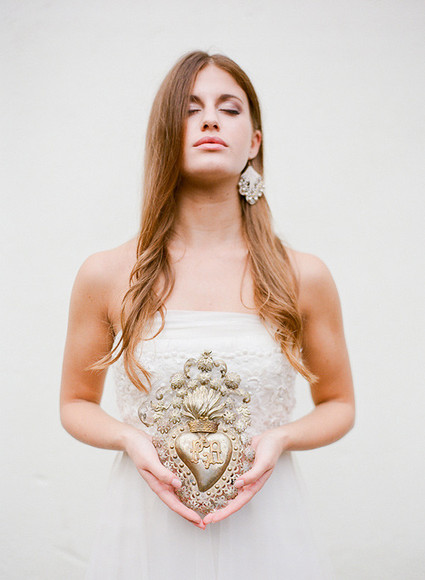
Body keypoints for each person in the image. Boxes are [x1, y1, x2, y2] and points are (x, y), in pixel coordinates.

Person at [60, 50, 355, 580]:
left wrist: (280, 438)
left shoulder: (302, 276)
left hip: (266, 522)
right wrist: (130, 438)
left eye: (229, 108)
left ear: (254, 142)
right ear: (164, 135)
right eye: (190, 109)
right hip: (147, 523)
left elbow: (339, 403)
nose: (211, 120)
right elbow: (75, 402)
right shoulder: (107, 273)